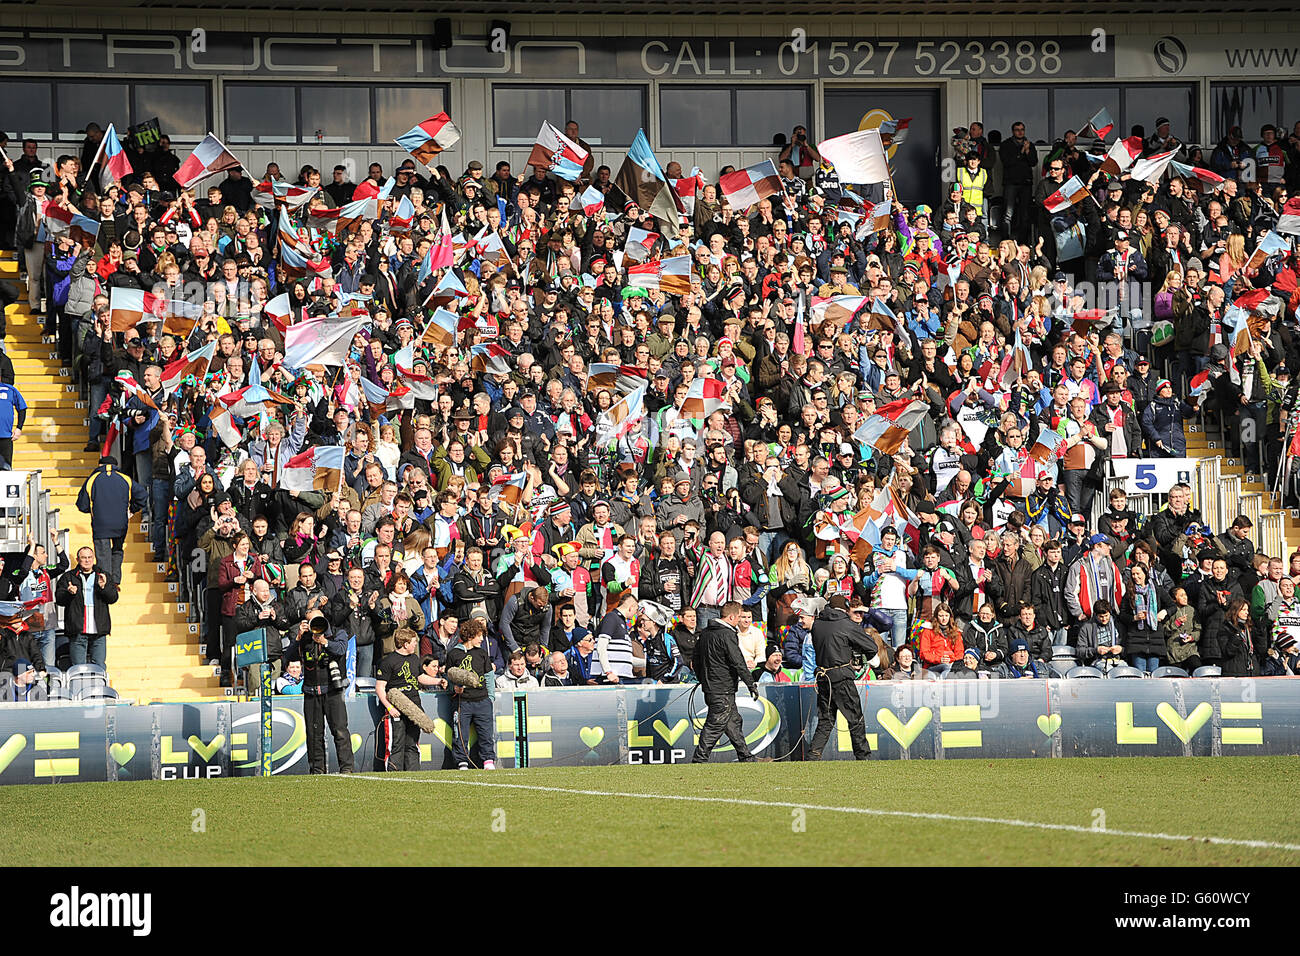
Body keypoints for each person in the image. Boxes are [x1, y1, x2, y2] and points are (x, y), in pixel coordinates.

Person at [806, 596, 876, 761]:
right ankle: (863, 756)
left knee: (826, 720)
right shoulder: (846, 624)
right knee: (855, 719)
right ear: (844, 609)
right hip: (842, 677)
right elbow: (871, 647)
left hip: (823, 677)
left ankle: (812, 756)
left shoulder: (817, 625)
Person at [690, 600, 759, 763]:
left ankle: (746, 756)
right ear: (732, 617)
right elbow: (738, 661)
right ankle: (699, 759)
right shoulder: (727, 634)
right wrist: (751, 683)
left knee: (733, 723)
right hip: (722, 688)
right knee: (715, 724)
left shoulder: (705, 633)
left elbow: (696, 660)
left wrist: (703, 679)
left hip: (711, 687)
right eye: (739, 617)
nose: (740, 621)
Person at [286, 612, 353, 774]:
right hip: (311, 692)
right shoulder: (304, 637)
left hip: (332, 691)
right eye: (310, 622)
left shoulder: (337, 633)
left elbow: (342, 649)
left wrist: (325, 642)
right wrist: (298, 638)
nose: (314, 625)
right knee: (314, 734)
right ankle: (317, 770)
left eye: (317, 620)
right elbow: (289, 657)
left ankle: (347, 769)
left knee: (340, 731)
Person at [75, 456, 146, 587]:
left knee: (103, 554)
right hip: (121, 523)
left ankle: (105, 582)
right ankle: (116, 580)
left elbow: (81, 504)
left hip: (100, 523)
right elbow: (142, 495)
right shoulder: (125, 478)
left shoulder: (93, 479)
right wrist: (132, 509)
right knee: (117, 550)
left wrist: (93, 510)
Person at [54, 547, 119, 667]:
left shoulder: (103, 576)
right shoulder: (68, 577)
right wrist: (69, 593)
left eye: (90, 557)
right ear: (78, 559)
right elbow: (59, 599)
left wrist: (104, 588)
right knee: (78, 667)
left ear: (94, 558)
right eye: (84, 558)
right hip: (77, 629)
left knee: (99, 665)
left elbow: (113, 598)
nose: (87, 560)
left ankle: (99, 686)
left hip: (99, 629)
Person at [447, 617, 496, 769]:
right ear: (470, 635)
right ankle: (462, 761)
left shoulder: (482, 654)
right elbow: (449, 676)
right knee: (460, 733)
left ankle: (488, 760)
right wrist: (453, 688)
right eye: (479, 635)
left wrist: (490, 697)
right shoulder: (453, 654)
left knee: (486, 733)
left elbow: (489, 676)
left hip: (482, 700)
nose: (482, 639)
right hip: (463, 702)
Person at [376, 627, 425, 772]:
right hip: (396, 709)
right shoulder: (388, 661)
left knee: (412, 743)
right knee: (396, 743)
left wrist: (438, 681)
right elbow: (380, 687)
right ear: (405, 644)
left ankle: (414, 773)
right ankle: (393, 772)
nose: (416, 644)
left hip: (414, 708)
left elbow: (420, 677)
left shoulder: (415, 659)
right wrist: (390, 708)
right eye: (413, 642)